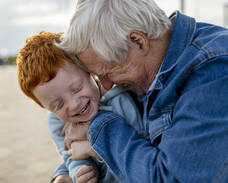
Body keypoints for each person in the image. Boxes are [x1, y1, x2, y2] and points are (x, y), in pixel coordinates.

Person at [55, 0, 228, 182]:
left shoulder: (213, 72)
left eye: (107, 72)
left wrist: (97, 132)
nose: (106, 85)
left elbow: (169, 178)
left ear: (138, 41)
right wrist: (67, 171)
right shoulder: (146, 71)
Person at [16, 31, 142, 183]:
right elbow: (71, 154)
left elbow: (140, 145)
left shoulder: (121, 96)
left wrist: (93, 146)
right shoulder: (57, 122)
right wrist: (79, 171)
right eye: (58, 105)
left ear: (90, 72)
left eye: (76, 88)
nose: (74, 104)